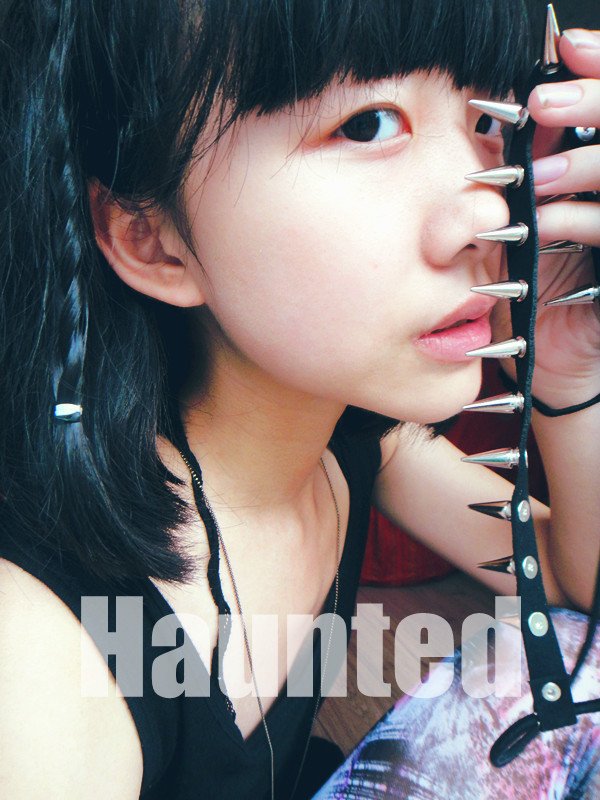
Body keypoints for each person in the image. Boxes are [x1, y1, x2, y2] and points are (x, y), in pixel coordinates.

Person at [0, 0, 598, 797]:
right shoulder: (41, 660)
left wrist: (571, 371)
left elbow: (572, 583)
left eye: (491, 120)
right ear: (153, 240)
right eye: (367, 126)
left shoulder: (354, 440)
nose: (489, 213)